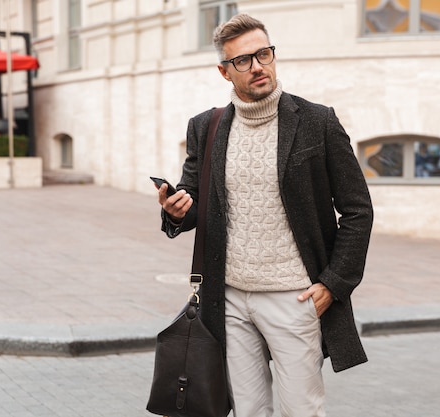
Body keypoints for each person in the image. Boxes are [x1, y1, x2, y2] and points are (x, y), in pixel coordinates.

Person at [156, 13, 373, 417]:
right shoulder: (207, 127)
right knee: (248, 411)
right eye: (243, 60)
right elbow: (194, 198)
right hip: (230, 298)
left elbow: (358, 210)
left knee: (300, 411)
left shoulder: (316, 121)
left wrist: (333, 284)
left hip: (295, 296)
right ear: (224, 71)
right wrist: (176, 209)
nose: (258, 66)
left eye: (264, 54)